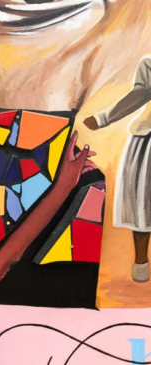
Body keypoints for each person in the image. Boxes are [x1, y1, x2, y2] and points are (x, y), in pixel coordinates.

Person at [84, 56, 151, 283]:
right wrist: (103, 118)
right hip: (148, 140)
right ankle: (141, 261)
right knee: (142, 203)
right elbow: (139, 95)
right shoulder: (150, 63)